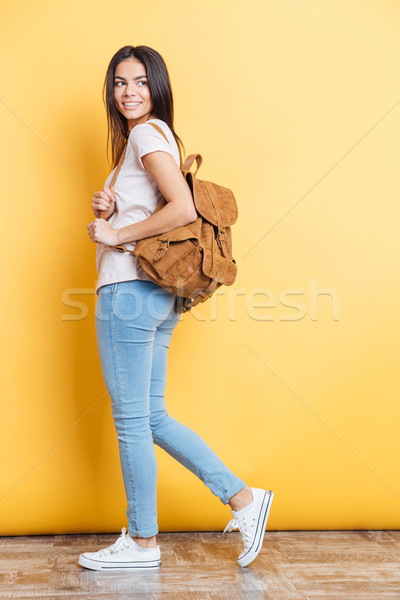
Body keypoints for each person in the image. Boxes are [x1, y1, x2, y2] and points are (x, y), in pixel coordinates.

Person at [79, 45, 274, 572]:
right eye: (119, 83)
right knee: (153, 417)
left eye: (140, 82)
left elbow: (183, 208)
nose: (129, 92)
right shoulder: (157, 137)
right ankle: (244, 500)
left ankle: (142, 544)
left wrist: (116, 232)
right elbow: (165, 208)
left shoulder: (145, 134)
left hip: (129, 295)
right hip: (158, 297)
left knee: (130, 423)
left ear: (157, 86)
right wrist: (116, 207)